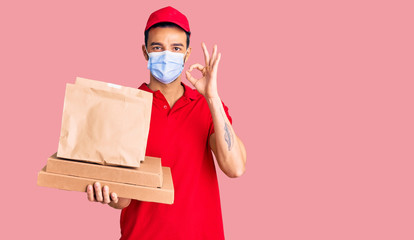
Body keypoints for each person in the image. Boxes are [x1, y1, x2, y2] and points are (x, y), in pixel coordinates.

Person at [86, 6, 246, 239]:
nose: (167, 54)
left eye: (176, 48)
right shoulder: (125, 106)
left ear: (187, 54)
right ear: (145, 52)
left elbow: (236, 167)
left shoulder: (206, 107)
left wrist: (212, 97)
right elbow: (123, 199)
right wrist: (106, 193)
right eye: (158, 47)